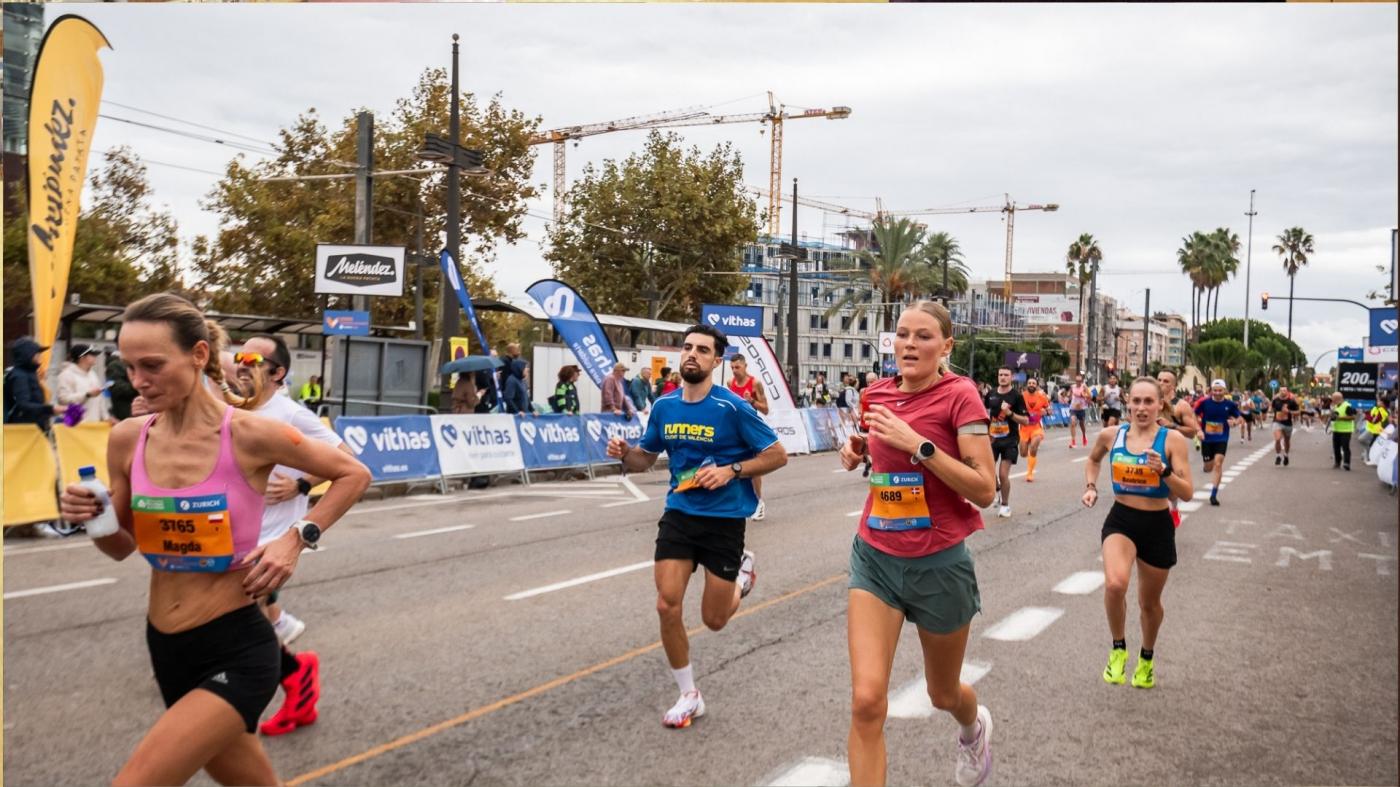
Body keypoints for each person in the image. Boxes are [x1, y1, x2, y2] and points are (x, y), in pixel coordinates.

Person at [57, 292, 370, 786]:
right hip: (166, 645)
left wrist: (295, 537)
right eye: (130, 366)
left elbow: (353, 473)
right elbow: (120, 546)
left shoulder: (249, 433)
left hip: (237, 647)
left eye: (153, 365)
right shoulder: (128, 438)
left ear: (199, 355)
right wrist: (89, 516)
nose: (138, 381)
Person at [837, 301, 997, 787]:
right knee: (867, 701)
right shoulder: (876, 394)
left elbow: (984, 489)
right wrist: (856, 451)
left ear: (946, 346)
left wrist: (919, 446)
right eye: (903, 334)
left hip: (939, 565)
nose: (909, 344)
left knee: (942, 693)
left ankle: (973, 728)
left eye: (923, 336)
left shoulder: (960, 396)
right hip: (876, 559)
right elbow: (873, 457)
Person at [605, 323, 787, 729]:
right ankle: (689, 694)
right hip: (680, 514)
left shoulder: (732, 408)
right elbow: (645, 460)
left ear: (716, 361)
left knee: (714, 620)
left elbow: (777, 455)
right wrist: (625, 453)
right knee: (666, 603)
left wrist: (732, 471)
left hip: (724, 521)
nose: (692, 354)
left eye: (702, 350)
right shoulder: (666, 407)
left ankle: (741, 577)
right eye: (687, 348)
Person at [236, 334, 353, 737]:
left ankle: (294, 676)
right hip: (235, 529)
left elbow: (348, 459)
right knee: (241, 622)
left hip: (270, 536)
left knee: (238, 621)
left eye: (251, 358)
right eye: (239, 356)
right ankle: (284, 644)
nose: (241, 363)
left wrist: (301, 485)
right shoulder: (234, 409)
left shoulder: (289, 414)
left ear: (277, 372)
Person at [1082, 376, 1193, 691]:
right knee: (1115, 583)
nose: (1141, 408)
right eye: (1136, 401)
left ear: (1160, 405)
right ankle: (1118, 649)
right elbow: (1092, 460)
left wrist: (1165, 472)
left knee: (1149, 604)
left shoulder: (1172, 440)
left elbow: (1186, 492)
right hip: (1122, 519)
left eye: (1148, 402)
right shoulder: (1110, 435)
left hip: (1157, 524)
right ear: (1127, 403)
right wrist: (1090, 486)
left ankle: (1146, 657)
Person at [1153, 370, 1200, 528]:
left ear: (1173, 385)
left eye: (1166, 381)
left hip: (1172, 449)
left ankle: (1173, 509)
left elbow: (1192, 431)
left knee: (1172, 489)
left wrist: (1171, 425)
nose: (1161, 383)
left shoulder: (1181, 405)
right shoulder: (1150, 402)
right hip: (1151, 446)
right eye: (1159, 379)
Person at [727, 353, 770, 521]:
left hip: (750, 428)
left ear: (745, 366)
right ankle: (737, 501)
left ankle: (759, 502)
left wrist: (751, 401)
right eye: (732, 368)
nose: (734, 371)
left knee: (753, 467)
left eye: (737, 367)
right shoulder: (730, 383)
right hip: (734, 428)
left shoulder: (755, 383)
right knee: (733, 465)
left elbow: (766, 408)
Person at [983, 366, 1029, 518]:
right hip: (992, 439)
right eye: (1000, 374)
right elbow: (984, 414)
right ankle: (997, 490)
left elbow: (1026, 420)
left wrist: (1010, 413)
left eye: (1006, 375)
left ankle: (1005, 505)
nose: (1002, 377)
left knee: (1003, 474)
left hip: (1010, 439)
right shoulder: (991, 395)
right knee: (988, 471)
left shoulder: (1016, 396)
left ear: (1011, 377)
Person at [1193, 379, 1241, 506]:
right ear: (1211, 391)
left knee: (1218, 464)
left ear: (1224, 391)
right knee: (1209, 467)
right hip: (1207, 439)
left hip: (1221, 438)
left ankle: (1213, 495)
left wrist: (1235, 422)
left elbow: (1238, 417)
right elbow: (1194, 415)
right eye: (1215, 390)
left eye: (1220, 390)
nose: (1217, 393)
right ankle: (1207, 465)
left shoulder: (1230, 404)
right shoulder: (1204, 403)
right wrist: (1198, 430)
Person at [56, 343, 111, 424]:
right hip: (74, 425)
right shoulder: (66, 375)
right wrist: (87, 394)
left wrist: (106, 417)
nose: (95, 357)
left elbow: (100, 399)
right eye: (92, 354)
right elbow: (63, 400)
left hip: (93, 424)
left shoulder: (93, 374)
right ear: (82, 358)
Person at [1019, 376, 1051, 483]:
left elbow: (1049, 410)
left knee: (1034, 446)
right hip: (1024, 427)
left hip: (1036, 427)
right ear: (1026, 385)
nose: (1031, 385)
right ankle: (1029, 454)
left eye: (1033, 383)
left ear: (1036, 385)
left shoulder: (1042, 397)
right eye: (1029, 383)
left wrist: (1046, 412)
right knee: (1023, 453)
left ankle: (1030, 473)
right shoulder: (1022, 397)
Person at [1271, 386, 1300, 466]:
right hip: (1277, 422)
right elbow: (1272, 408)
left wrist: (1289, 412)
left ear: (1287, 392)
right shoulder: (1276, 400)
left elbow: (1298, 412)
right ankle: (1278, 456)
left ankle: (1286, 455)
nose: (1282, 391)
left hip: (1288, 424)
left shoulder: (1291, 401)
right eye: (1281, 390)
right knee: (1277, 439)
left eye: (1284, 390)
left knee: (1286, 441)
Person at [1329, 391, 1358, 471]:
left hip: (1346, 430)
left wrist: (1340, 418)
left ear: (1337, 398)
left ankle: (1346, 463)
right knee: (1336, 447)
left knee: (1345, 447)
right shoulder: (1335, 406)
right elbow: (1335, 417)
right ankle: (1337, 462)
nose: (1332, 400)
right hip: (1337, 430)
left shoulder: (1347, 406)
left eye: (1333, 399)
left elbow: (1352, 417)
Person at [107, 350, 138, 421]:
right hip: (125, 413)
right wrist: (137, 387)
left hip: (141, 412)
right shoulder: (115, 366)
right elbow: (116, 388)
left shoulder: (136, 364)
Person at [1361, 395, 1391, 465]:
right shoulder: (1376, 408)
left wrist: (1369, 417)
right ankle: (1367, 455)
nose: (1378, 402)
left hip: (1379, 432)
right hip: (1373, 430)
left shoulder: (1385, 412)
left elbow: (1374, 420)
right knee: (1369, 444)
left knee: (1371, 445)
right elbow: (1370, 416)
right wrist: (1368, 416)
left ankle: (1369, 457)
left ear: (1383, 403)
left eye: (1379, 401)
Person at [1068, 373, 1091, 447]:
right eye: (1077, 380)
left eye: (1079, 381)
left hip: (1081, 408)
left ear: (1082, 381)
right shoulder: (1072, 386)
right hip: (1073, 408)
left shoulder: (1084, 386)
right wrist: (1068, 396)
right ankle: (1073, 441)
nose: (1078, 382)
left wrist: (1083, 395)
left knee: (1082, 425)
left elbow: (1089, 396)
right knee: (1073, 422)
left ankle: (1084, 436)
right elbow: (1069, 394)